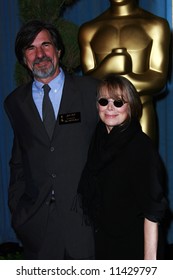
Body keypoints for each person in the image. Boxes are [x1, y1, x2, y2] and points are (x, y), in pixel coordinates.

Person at [4, 20, 99, 260]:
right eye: (30, 48)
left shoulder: (92, 91)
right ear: (23, 59)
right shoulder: (15, 103)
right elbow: (19, 160)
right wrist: (19, 211)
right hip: (38, 227)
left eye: (45, 45)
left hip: (86, 224)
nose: (40, 54)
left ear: (58, 50)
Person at [77, 74, 167, 260]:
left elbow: (152, 211)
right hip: (104, 242)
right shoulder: (99, 139)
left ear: (131, 106)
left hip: (134, 246)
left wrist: (149, 265)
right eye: (104, 101)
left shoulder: (140, 147)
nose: (110, 107)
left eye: (118, 102)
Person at [78, 0, 170, 142]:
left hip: (141, 111)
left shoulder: (156, 25)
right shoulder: (89, 30)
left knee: (142, 161)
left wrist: (124, 78)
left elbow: (158, 79)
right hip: (105, 115)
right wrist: (108, 66)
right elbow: (89, 82)